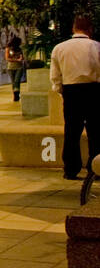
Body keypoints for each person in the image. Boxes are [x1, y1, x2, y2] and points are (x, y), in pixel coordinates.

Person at [50, 15, 100, 181]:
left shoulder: (59, 48)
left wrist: (61, 91)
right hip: (93, 90)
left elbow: (55, 76)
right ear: (90, 29)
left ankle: (71, 169)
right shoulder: (96, 46)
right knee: (95, 131)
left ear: (74, 28)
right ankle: (95, 168)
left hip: (71, 91)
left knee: (71, 131)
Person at [5, 36, 26, 102]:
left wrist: (21, 59)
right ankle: (15, 94)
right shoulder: (8, 49)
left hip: (19, 67)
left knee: (17, 81)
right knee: (13, 82)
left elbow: (22, 57)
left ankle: (16, 94)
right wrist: (17, 60)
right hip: (11, 67)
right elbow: (7, 58)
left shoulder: (19, 49)